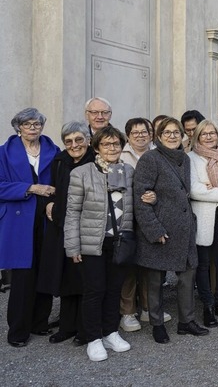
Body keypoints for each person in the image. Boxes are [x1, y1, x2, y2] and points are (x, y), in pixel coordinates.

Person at [134, 117, 209, 344]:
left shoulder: (184, 159)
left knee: (187, 276)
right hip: (161, 229)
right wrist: (154, 230)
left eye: (176, 132)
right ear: (158, 136)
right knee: (155, 280)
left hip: (184, 229)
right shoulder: (150, 159)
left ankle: (186, 321)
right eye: (167, 132)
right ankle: (157, 324)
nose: (172, 136)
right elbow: (141, 198)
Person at [64, 126, 133, 361]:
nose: (112, 148)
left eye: (116, 144)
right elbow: (72, 211)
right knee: (94, 291)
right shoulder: (81, 173)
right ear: (96, 147)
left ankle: (110, 332)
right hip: (92, 242)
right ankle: (93, 338)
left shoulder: (128, 171)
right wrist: (72, 246)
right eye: (106, 144)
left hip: (120, 241)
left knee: (114, 290)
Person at [0, 108, 59, 347]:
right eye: (27, 124)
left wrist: (53, 199)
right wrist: (31, 188)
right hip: (19, 218)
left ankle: (39, 323)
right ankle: (18, 330)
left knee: (45, 269)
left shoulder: (53, 150)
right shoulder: (4, 153)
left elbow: (60, 180)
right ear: (18, 127)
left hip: (47, 216)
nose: (33, 128)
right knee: (23, 276)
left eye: (37, 124)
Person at [39, 122, 94, 346]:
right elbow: (52, 188)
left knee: (85, 279)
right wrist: (49, 203)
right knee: (66, 278)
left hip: (87, 227)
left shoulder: (95, 161)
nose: (74, 145)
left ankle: (84, 329)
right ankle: (66, 326)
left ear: (88, 140)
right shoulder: (60, 161)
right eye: (69, 141)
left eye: (79, 139)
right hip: (61, 226)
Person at [118, 118, 170, 332]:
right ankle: (128, 312)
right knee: (129, 268)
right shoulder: (120, 157)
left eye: (145, 131)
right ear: (128, 136)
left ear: (152, 134)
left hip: (153, 217)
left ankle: (149, 308)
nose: (140, 135)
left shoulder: (161, 154)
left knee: (150, 265)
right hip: (128, 217)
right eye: (135, 132)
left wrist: (156, 195)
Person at [188, 120, 218, 327]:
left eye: (212, 133)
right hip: (203, 218)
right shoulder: (190, 158)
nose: (208, 137)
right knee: (203, 266)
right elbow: (193, 190)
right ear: (197, 137)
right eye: (204, 134)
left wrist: (211, 190)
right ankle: (207, 306)